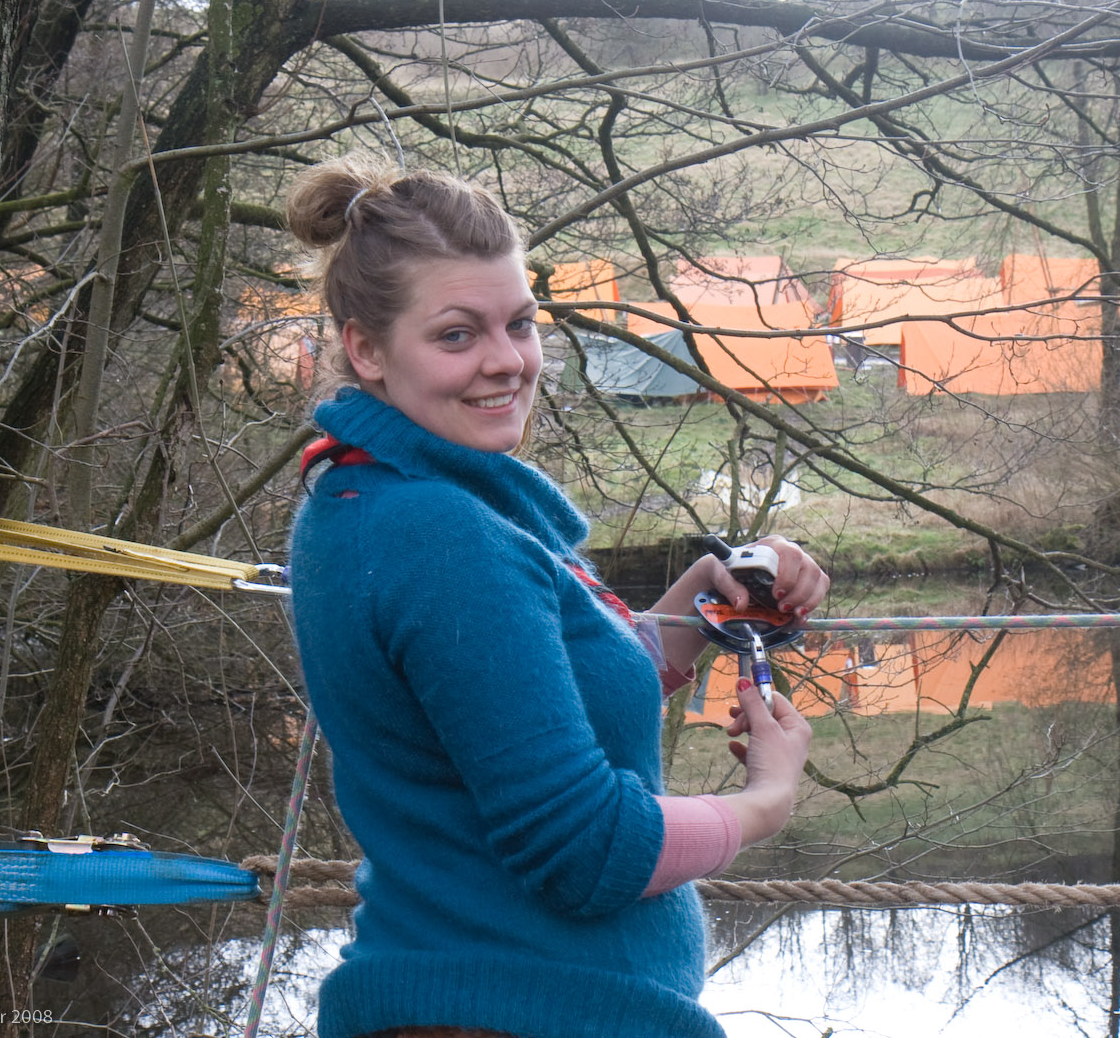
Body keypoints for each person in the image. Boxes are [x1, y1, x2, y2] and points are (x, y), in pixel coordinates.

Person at [285, 155, 828, 1038]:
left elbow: (521, 706)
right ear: (366, 349)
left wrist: (707, 594)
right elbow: (586, 850)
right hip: (520, 1010)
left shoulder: (367, 497)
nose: (507, 361)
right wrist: (764, 800)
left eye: (520, 323)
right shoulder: (440, 533)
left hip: (461, 999)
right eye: (457, 335)